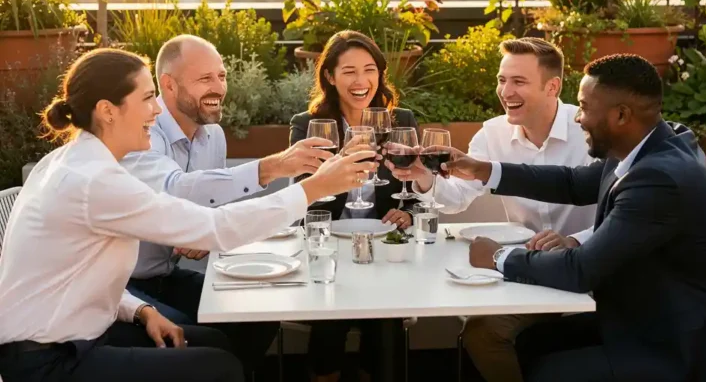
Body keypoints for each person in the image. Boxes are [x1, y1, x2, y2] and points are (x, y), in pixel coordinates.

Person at [0, 48, 376, 382]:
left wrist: (142, 311)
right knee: (219, 368)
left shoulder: (73, 162)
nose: (157, 109)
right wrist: (314, 188)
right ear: (107, 111)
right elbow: (212, 228)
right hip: (48, 359)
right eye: (148, 98)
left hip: (79, 333)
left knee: (214, 342)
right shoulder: (94, 180)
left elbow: (72, 276)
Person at [442, 54, 706, 382]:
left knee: (549, 372)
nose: (579, 118)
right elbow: (571, 182)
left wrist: (499, 257)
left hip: (693, 346)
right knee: (530, 342)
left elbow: (581, 269)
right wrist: (483, 170)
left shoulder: (660, 179)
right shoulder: (645, 146)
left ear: (621, 115)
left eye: (584, 107)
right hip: (652, 317)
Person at [120, 35, 333, 378]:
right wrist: (272, 167)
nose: (218, 87)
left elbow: (205, 211)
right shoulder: (143, 134)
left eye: (221, 76)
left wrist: (196, 230)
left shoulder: (212, 134)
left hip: (166, 274)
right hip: (125, 285)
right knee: (206, 340)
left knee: (260, 313)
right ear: (168, 85)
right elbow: (176, 190)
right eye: (204, 79)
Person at [386, 37, 595, 382]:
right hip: (526, 273)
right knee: (481, 333)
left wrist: (575, 240)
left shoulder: (588, 132)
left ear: (552, 86)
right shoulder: (492, 133)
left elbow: (618, 210)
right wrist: (422, 176)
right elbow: (456, 198)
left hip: (588, 274)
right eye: (502, 80)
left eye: (519, 81)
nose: (505, 91)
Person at [289, 30, 414, 382]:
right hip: (330, 244)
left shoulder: (399, 121)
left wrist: (408, 213)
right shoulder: (309, 126)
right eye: (349, 72)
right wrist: (339, 166)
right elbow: (302, 195)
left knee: (385, 327)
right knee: (331, 320)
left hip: (386, 247)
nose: (362, 81)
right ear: (329, 76)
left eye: (369, 69)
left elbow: (416, 187)